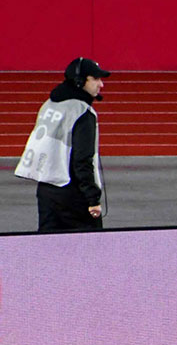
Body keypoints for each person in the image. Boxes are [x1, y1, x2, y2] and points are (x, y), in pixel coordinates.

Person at [14, 58, 110, 232]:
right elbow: (82, 160)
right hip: (72, 193)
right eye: (95, 79)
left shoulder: (49, 105)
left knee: (48, 244)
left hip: (46, 189)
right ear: (80, 81)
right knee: (91, 244)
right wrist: (93, 198)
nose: (101, 84)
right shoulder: (82, 112)